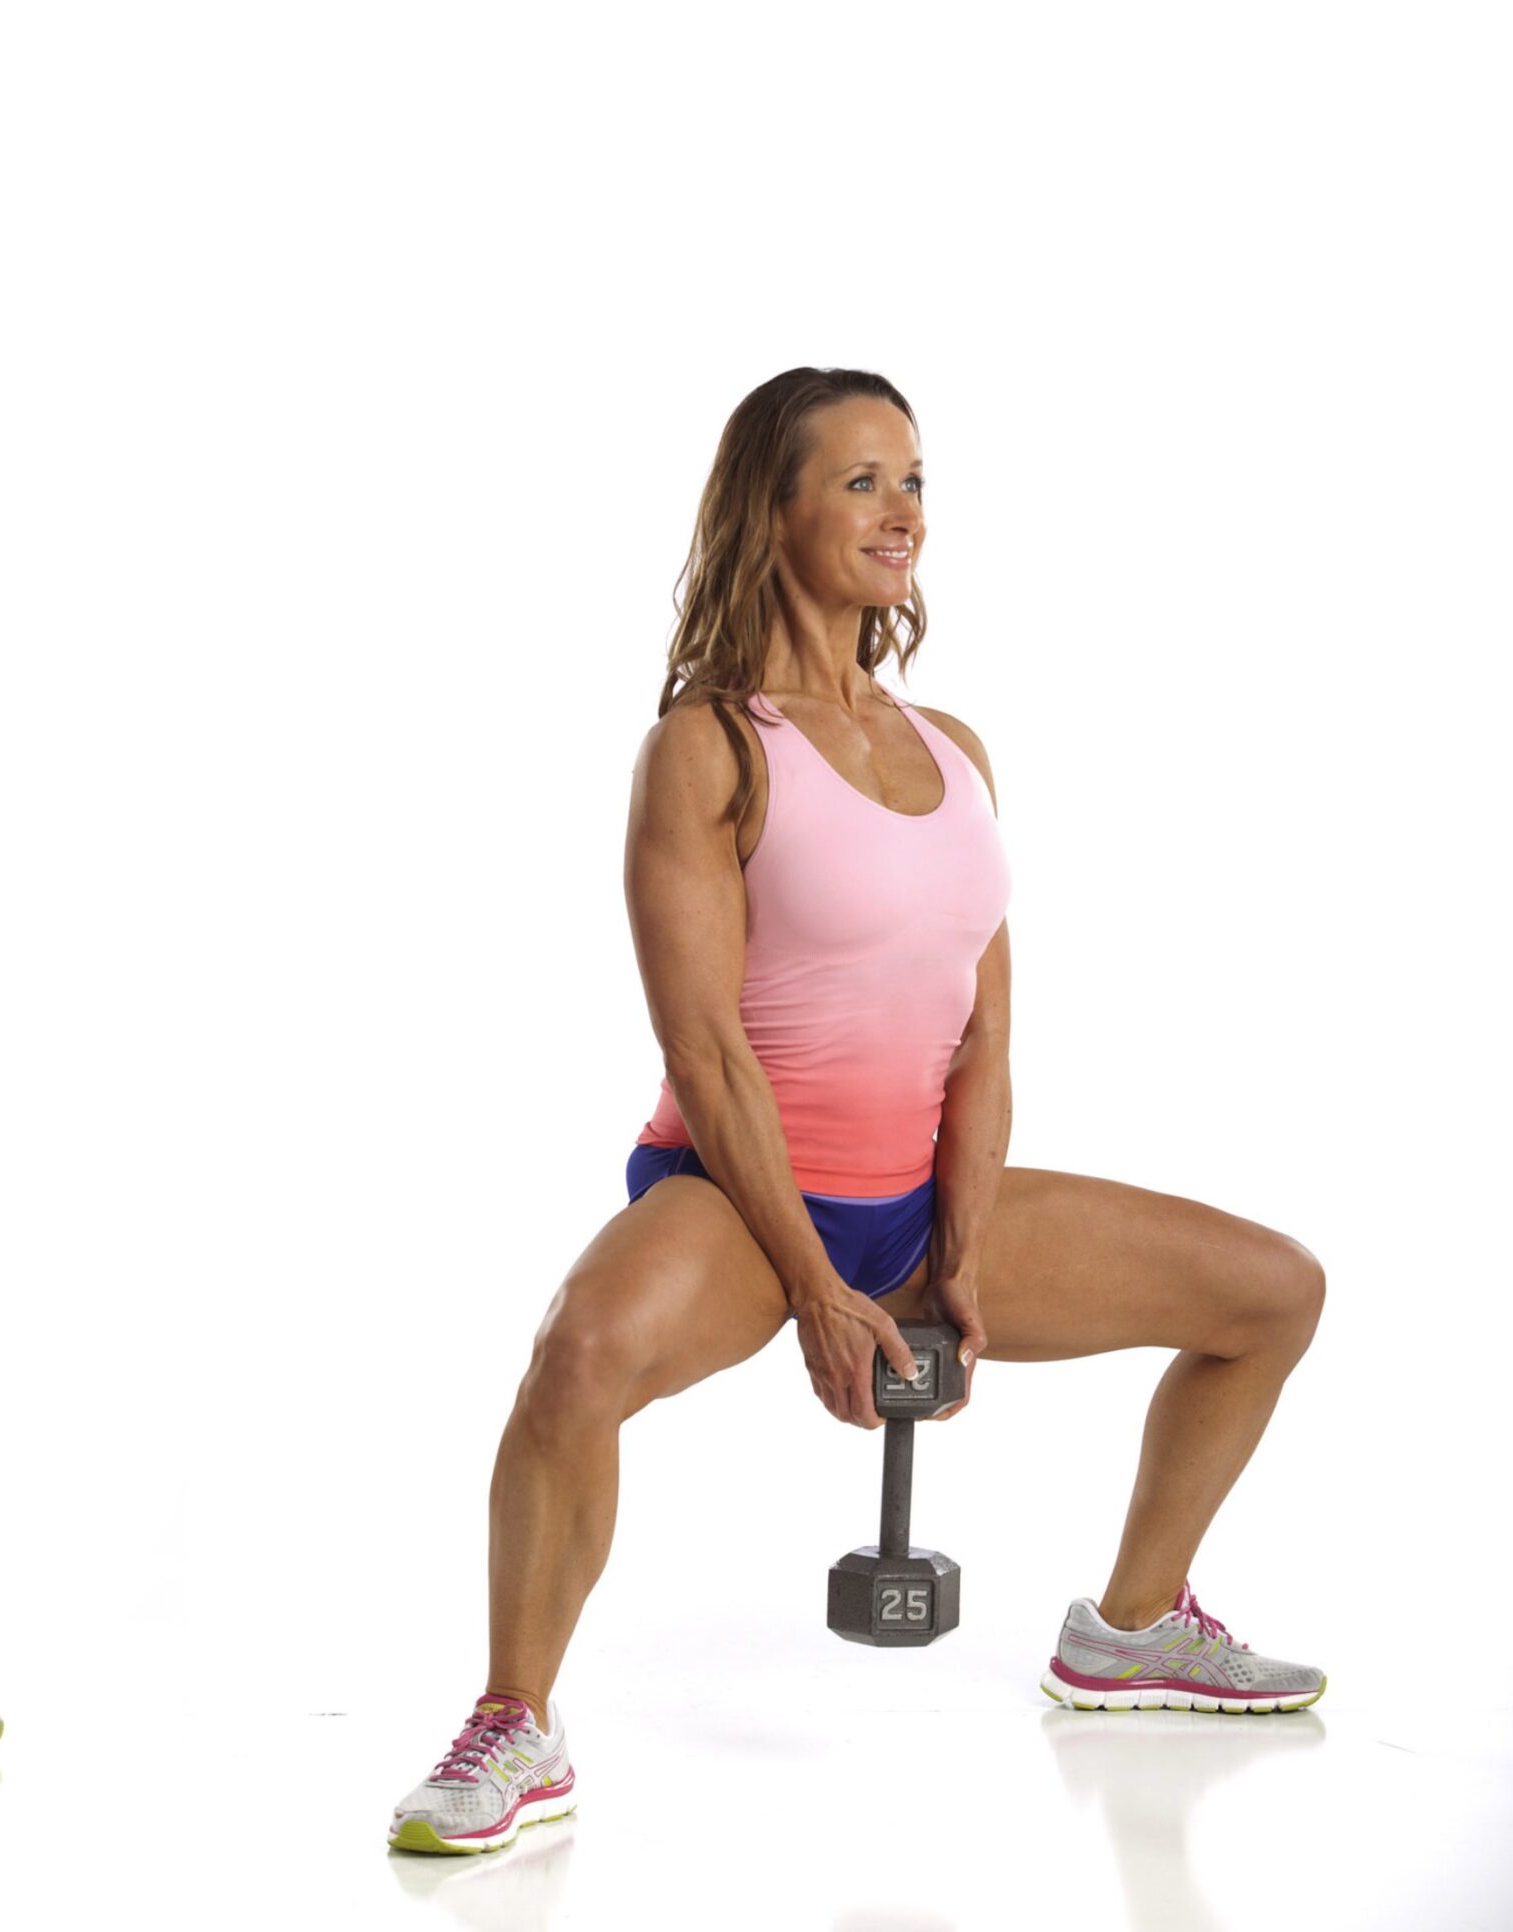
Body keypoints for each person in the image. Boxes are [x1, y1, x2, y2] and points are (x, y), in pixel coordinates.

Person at [385, 368, 1327, 1857]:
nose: (905, 514)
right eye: (863, 482)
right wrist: (819, 1289)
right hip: (741, 1197)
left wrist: (960, 1250)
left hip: (918, 1196)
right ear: (773, 513)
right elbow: (707, 1051)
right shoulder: (710, 747)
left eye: (916, 481)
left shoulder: (953, 748)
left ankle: (1132, 1628)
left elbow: (986, 1034)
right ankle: (517, 1724)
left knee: (1271, 1293)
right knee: (579, 1357)